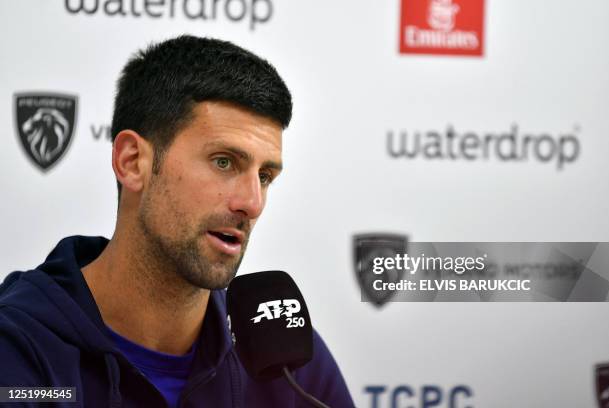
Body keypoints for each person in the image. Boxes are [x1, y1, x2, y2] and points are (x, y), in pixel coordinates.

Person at [0, 35, 354, 408]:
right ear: (132, 162)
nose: (252, 202)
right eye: (224, 162)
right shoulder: (19, 351)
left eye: (264, 176)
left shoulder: (287, 359)